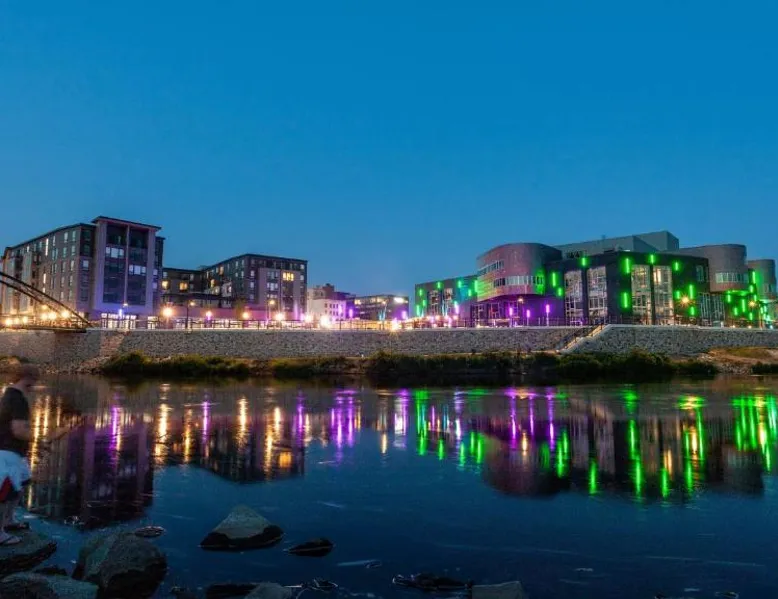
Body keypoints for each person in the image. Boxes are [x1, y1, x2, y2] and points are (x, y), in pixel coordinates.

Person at [0, 363, 38, 546]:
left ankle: (8, 520)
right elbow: (18, 430)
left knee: (22, 482)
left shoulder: (9, 394)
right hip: (8, 452)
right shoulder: (17, 399)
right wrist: (38, 439)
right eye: (34, 380)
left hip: (16, 452)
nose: (35, 385)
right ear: (28, 378)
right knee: (5, 493)